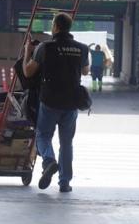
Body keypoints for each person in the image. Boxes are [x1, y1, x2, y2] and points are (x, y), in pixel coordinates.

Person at [22, 13, 89, 193]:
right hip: (72, 103)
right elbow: (85, 71)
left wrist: (28, 52)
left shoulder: (44, 48)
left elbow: (28, 73)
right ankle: (65, 182)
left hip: (50, 100)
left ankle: (49, 161)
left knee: (43, 135)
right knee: (67, 143)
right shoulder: (82, 48)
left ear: (56, 27)